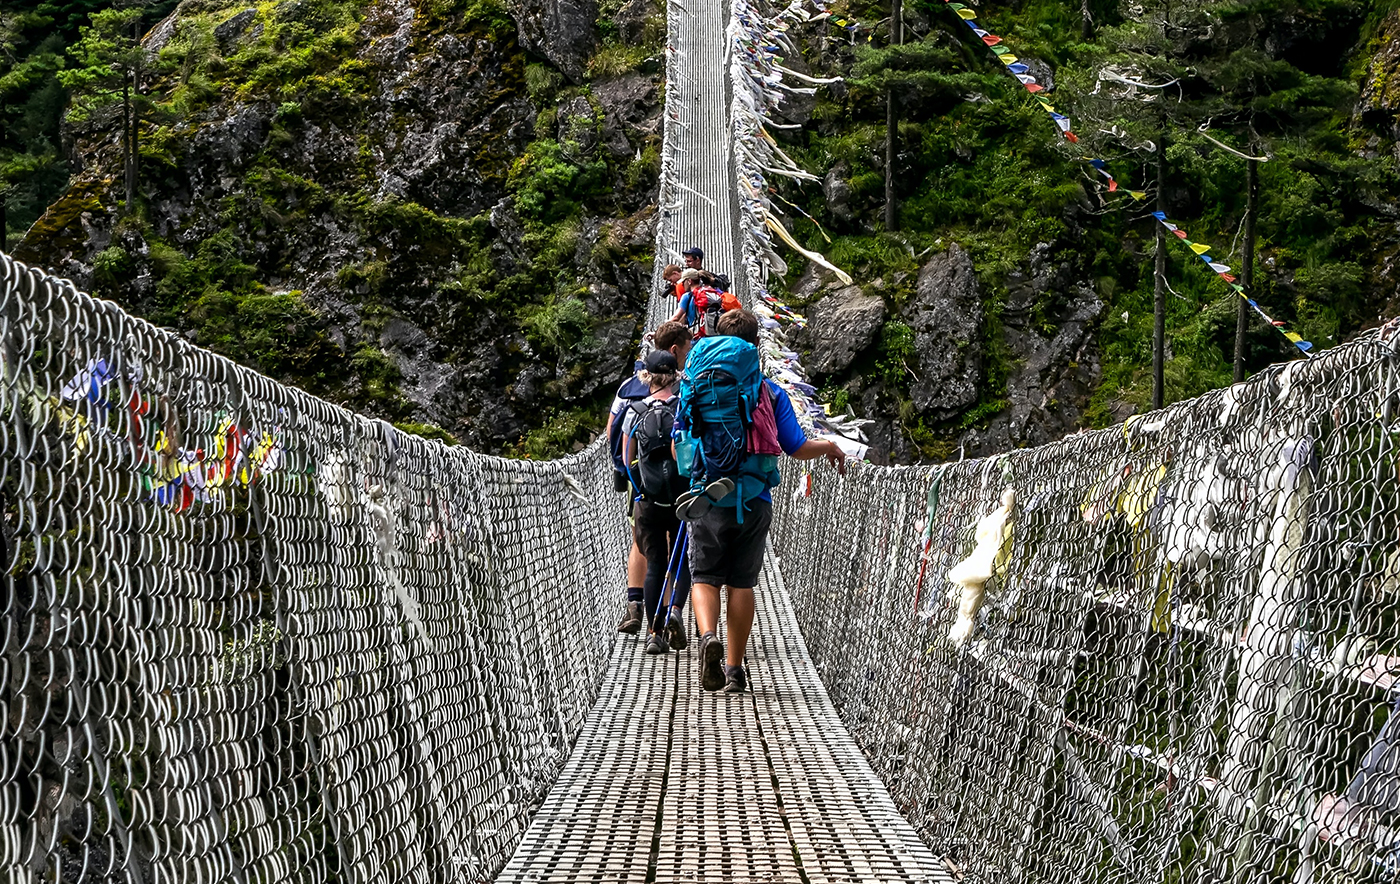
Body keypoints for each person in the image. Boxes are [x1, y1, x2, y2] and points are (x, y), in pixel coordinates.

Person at [676, 309, 847, 693]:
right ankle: (735, 670)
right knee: (742, 583)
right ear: (756, 345)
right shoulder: (770, 392)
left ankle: (708, 637)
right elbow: (796, 446)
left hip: (707, 496)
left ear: (717, 338)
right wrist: (829, 446)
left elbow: (679, 445)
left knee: (704, 577)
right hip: (754, 498)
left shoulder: (696, 384)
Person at [606, 321, 693, 633]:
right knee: (677, 549)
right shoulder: (684, 397)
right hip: (681, 490)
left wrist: (628, 475)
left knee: (645, 546)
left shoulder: (629, 392)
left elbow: (614, 435)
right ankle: (672, 611)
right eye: (687, 350)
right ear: (675, 355)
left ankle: (639, 608)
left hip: (643, 486)